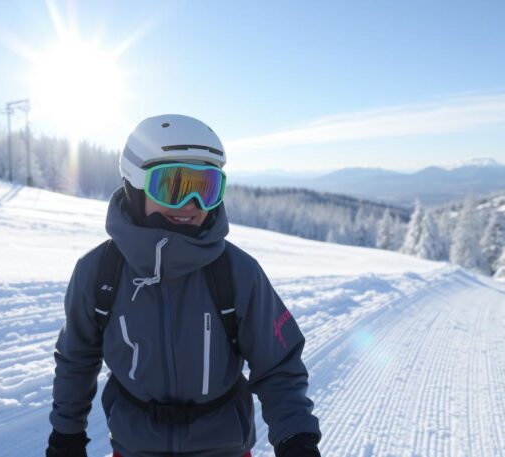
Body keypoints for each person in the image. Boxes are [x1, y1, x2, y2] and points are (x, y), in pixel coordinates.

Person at [46, 114, 321, 457]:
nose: (191, 205)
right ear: (135, 184)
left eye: (206, 188)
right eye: (173, 187)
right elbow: (77, 358)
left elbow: (279, 365)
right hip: (134, 447)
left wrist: (297, 439)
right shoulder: (100, 272)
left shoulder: (236, 272)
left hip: (224, 448)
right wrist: (66, 434)